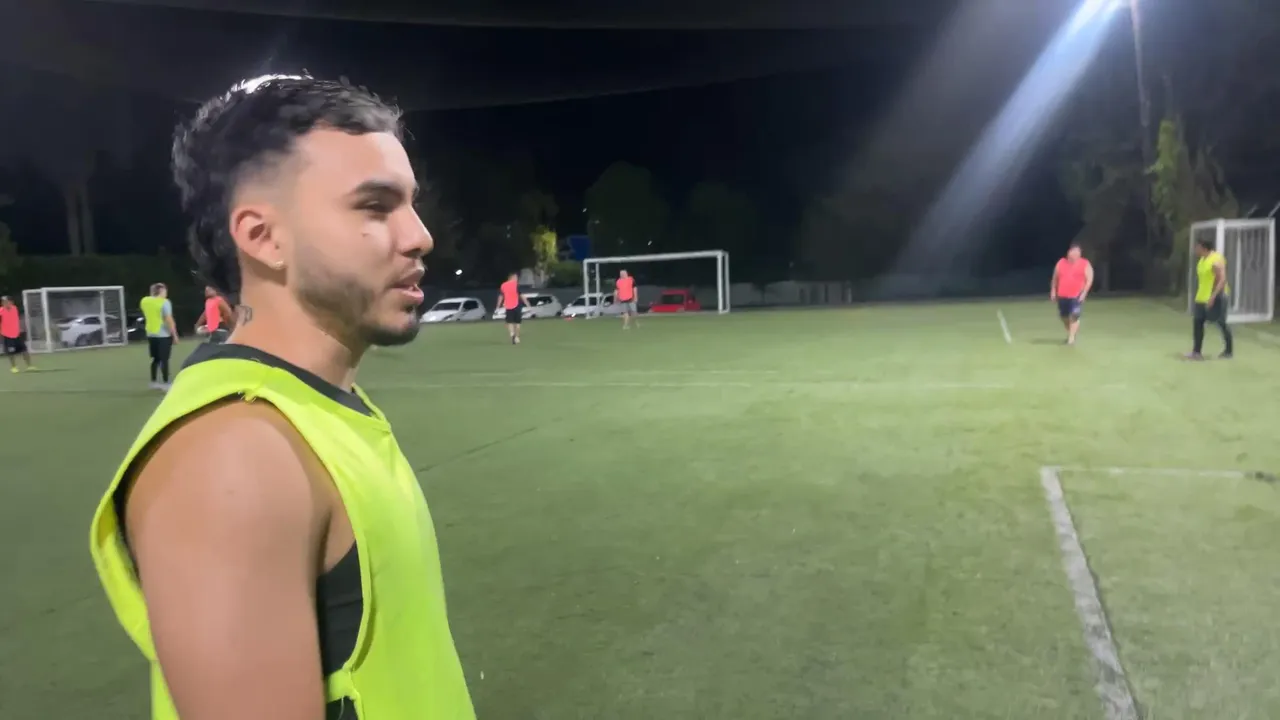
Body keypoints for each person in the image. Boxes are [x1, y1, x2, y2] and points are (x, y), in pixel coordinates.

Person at [88, 75, 475, 720]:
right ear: (263, 237)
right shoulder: (233, 454)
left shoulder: (315, 410)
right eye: (375, 206)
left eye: (411, 204)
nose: (419, 235)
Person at [1187, 237, 1234, 360]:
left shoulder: (1216, 260)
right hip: (1201, 297)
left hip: (1216, 297)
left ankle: (1229, 350)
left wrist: (1213, 296)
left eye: (1197, 247)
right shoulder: (1202, 260)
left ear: (1204, 247)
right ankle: (1196, 352)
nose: (1195, 249)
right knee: (1197, 322)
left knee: (1221, 323)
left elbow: (1222, 280)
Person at [1049, 243, 1093, 345]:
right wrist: (1053, 291)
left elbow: (1089, 279)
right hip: (1062, 295)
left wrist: (1084, 293)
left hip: (1076, 295)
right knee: (1064, 316)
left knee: (1074, 315)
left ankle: (1071, 339)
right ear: (1069, 253)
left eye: (1078, 253)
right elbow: (1055, 279)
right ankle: (1071, 333)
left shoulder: (1085, 264)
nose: (1076, 255)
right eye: (1074, 252)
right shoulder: (1061, 263)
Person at [140, 283, 179, 389]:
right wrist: (174, 334)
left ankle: (153, 381)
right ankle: (166, 382)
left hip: (151, 333)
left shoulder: (144, 301)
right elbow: (169, 319)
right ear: (161, 291)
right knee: (164, 359)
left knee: (155, 359)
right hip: (163, 334)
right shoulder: (165, 302)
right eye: (165, 291)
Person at [0, 296, 33, 372]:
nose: (5, 303)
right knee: (11, 352)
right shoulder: (1, 311)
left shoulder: (14, 308)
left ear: (11, 302)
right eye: (3, 302)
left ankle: (29, 366)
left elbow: (15, 320)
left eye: (6, 301)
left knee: (24, 350)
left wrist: (19, 328)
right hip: (7, 336)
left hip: (17, 334)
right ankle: (14, 367)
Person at [497, 272, 528, 344]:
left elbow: (501, 296)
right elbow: (521, 295)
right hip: (517, 305)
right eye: (516, 277)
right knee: (518, 322)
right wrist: (527, 303)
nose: (517, 279)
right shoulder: (516, 285)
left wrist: (498, 305)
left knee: (509, 322)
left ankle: (512, 334)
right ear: (512, 278)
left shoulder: (503, 285)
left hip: (508, 306)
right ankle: (516, 337)